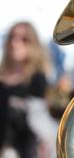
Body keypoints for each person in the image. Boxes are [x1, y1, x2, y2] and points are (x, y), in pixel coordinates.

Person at [0, 22, 52, 158]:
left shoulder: (37, 78)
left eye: (24, 39)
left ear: (33, 43)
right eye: (12, 37)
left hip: (22, 150)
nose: (15, 43)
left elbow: (39, 123)